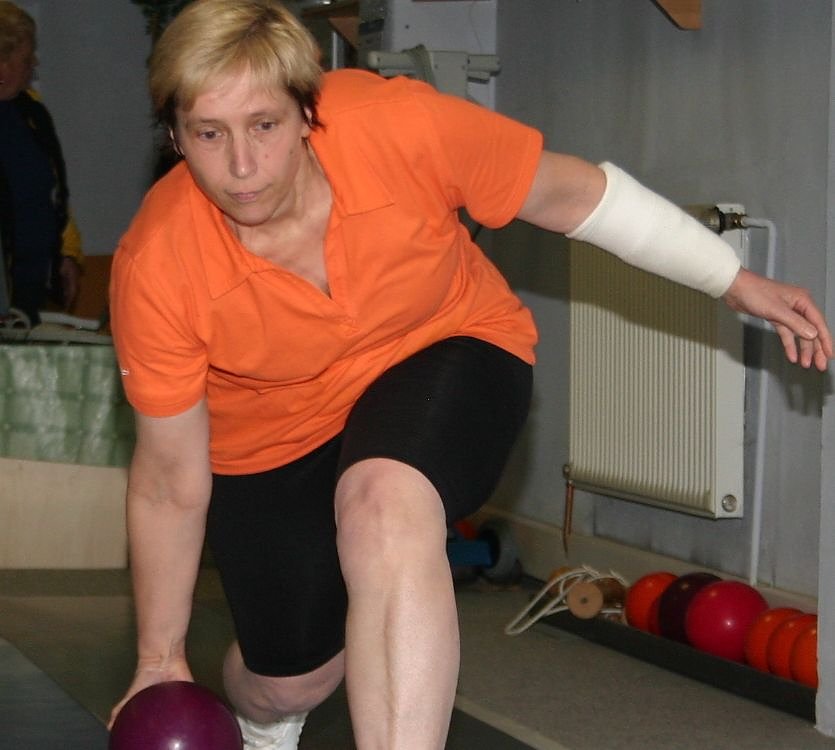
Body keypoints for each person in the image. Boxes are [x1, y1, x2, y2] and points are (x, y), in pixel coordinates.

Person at [108, 1, 832, 748]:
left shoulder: (398, 126)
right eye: (209, 134)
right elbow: (168, 481)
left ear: (306, 113)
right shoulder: (159, 264)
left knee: (386, 506)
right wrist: (159, 658)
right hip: (272, 435)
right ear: (175, 137)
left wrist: (733, 279)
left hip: (438, 348)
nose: (242, 166)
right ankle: (266, 724)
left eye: (264, 124)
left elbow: (574, 194)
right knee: (286, 682)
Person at [0, 0, 82, 326]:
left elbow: (54, 190)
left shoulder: (32, 113)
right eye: (27, 56)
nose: (34, 63)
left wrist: (67, 253)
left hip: (28, 295)